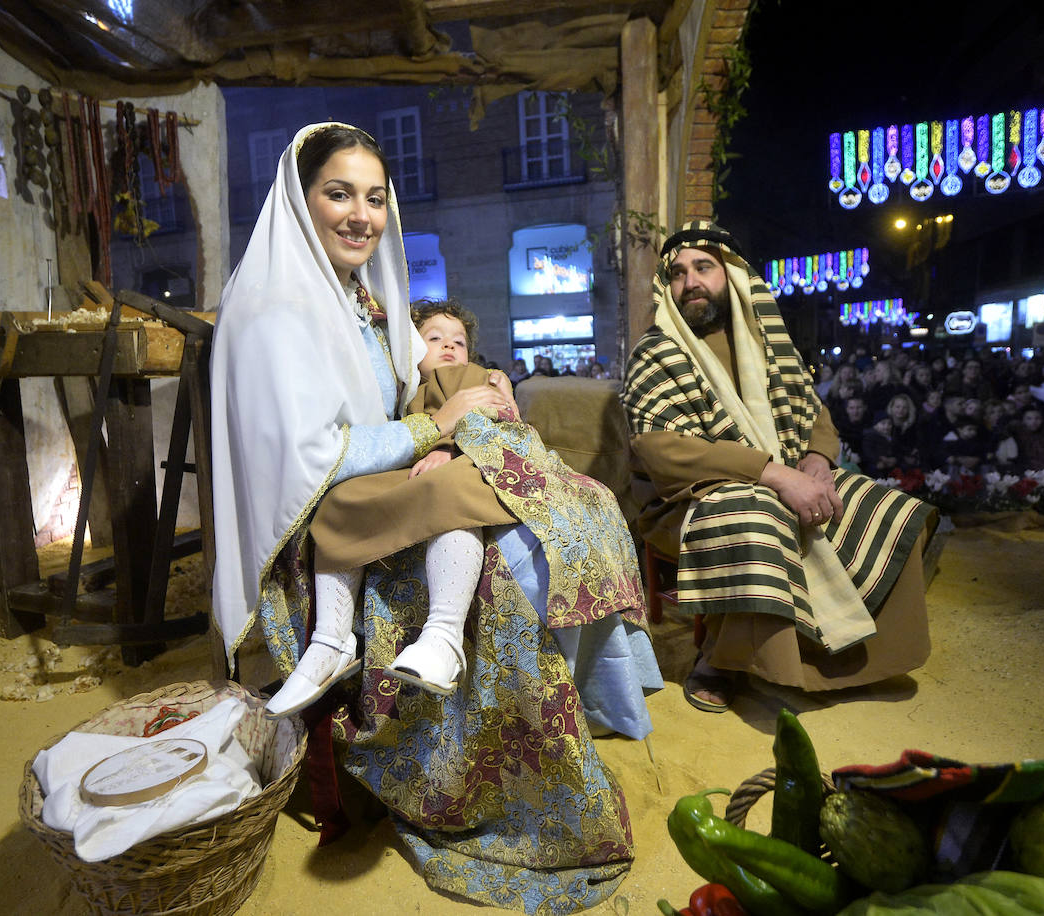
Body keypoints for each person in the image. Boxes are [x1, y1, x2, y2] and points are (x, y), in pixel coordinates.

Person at [210, 123, 657, 912]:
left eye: (375, 198)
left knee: (565, 503)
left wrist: (471, 401)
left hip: (382, 473)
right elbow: (317, 462)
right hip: (320, 516)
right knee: (501, 534)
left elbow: (426, 376)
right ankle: (420, 700)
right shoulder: (278, 309)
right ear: (300, 200)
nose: (361, 215)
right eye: (338, 194)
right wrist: (435, 431)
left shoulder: (357, 297)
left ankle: (583, 700)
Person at [621, 221, 936, 709]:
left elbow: (817, 414)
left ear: (733, 276)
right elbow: (661, 450)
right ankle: (721, 663)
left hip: (783, 478)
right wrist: (777, 475)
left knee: (883, 503)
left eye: (704, 267)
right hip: (684, 500)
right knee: (753, 515)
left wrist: (816, 463)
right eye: (679, 273)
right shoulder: (656, 352)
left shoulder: (768, 344)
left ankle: (854, 654)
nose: (691, 282)